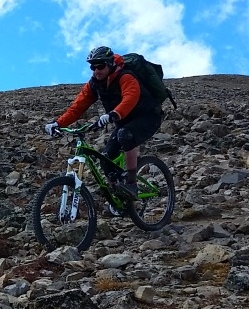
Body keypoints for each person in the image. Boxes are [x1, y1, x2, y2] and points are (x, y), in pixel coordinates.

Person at [44, 46, 162, 200]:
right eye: (93, 67)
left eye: (100, 66)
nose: (96, 71)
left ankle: (132, 184)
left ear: (110, 64)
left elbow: (130, 97)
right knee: (106, 158)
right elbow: (77, 107)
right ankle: (119, 194)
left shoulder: (125, 76)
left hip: (147, 116)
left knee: (125, 135)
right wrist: (57, 123)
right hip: (123, 121)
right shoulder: (94, 84)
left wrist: (114, 113)